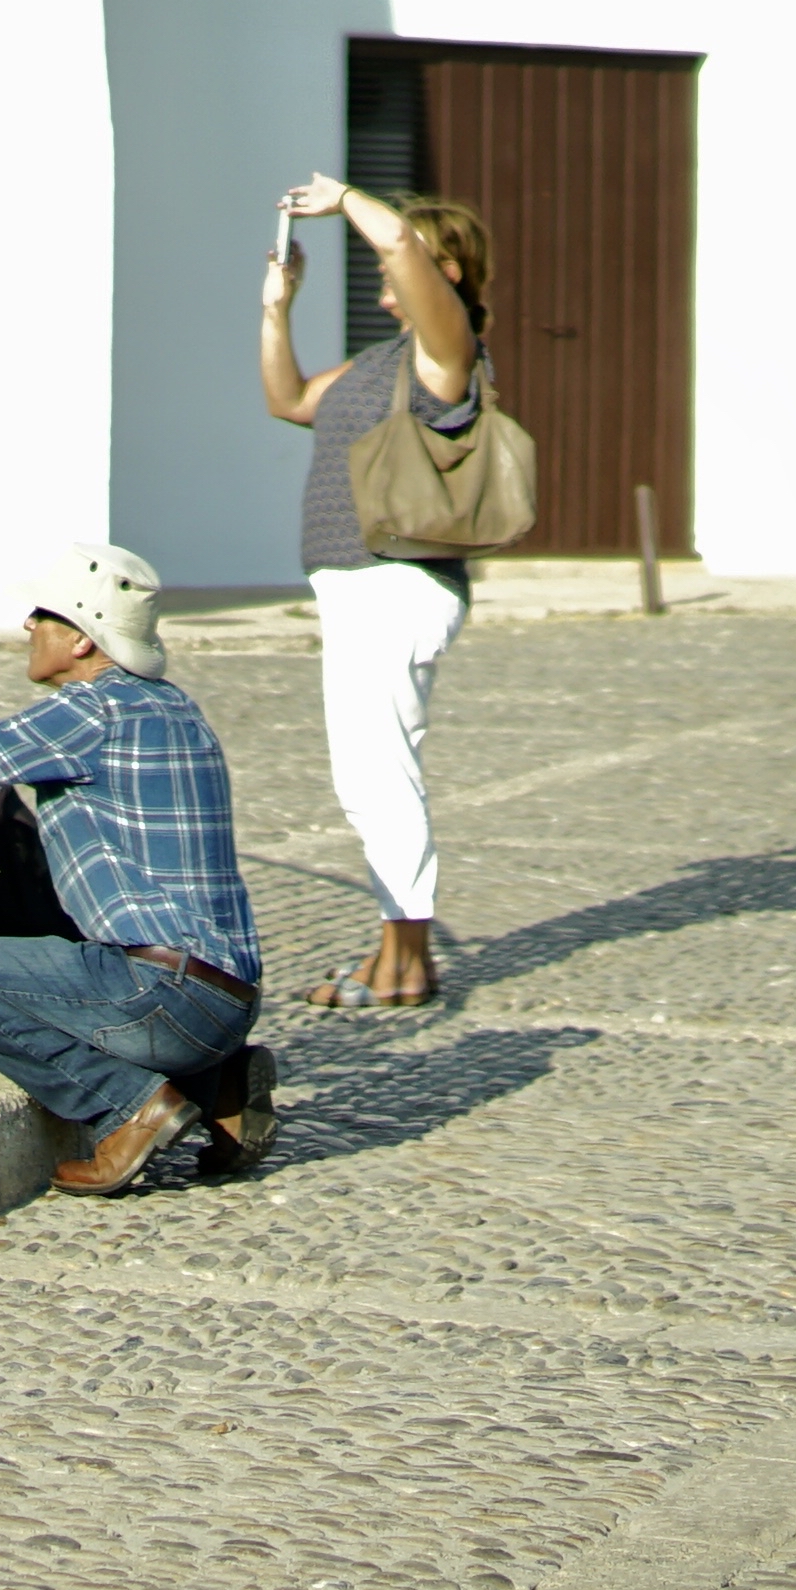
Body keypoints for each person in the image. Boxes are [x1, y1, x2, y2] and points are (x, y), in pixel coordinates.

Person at [0, 538, 276, 1193]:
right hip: (228, 1001)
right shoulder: (166, 706)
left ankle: (128, 1105)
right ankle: (218, 1084)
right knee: (96, 967)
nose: (28, 626)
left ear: (81, 639)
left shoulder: (88, 714)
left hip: (158, 998)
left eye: (42, 616)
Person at [263, 173, 486, 1011]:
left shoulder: (446, 350)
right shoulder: (380, 363)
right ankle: (394, 954)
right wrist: (277, 306)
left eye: (411, 263)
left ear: (447, 273)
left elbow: (394, 240)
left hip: (397, 583)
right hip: (356, 586)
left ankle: (407, 962)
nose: (388, 275)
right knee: (367, 776)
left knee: (383, 775)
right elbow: (286, 400)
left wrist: (344, 195)